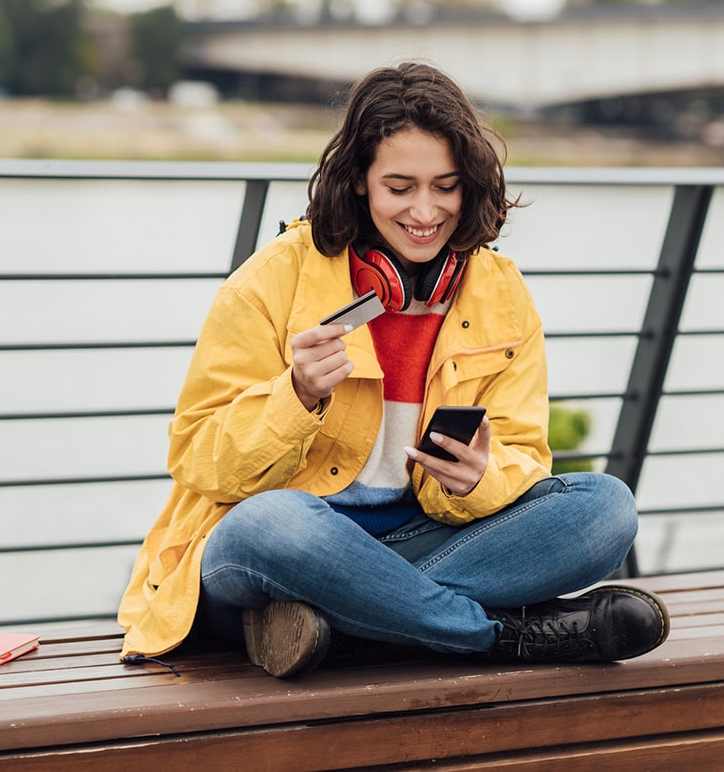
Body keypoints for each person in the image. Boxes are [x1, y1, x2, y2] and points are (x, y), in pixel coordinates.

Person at [118, 61, 669, 678]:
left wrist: (479, 478)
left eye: (446, 186)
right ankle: (493, 636)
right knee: (272, 524)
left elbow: (524, 454)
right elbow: (195, 457)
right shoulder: (269, 280)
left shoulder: (502, 293)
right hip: (286, 551)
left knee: (605, 508)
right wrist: (294, 397)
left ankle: (351, 624)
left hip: (422, 538)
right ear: (359, 181)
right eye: (400, 187)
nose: (426, 212)